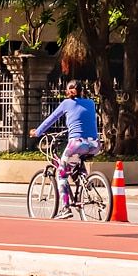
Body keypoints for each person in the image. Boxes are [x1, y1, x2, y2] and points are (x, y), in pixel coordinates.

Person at [29, 80, 100, 218]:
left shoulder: (66, 103)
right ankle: (84, 186)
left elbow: (51, 119)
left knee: (61, 172)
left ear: (68, 91)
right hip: (95, 144)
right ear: (82, 91)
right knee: (76, 164)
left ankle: (65, 208)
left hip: (77, 143)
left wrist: (37, 132)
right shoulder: (91, 103)